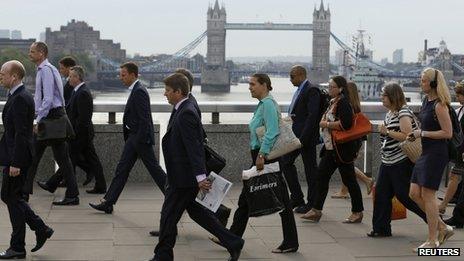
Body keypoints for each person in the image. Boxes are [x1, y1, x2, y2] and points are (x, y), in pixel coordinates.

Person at [150, 73, 243, 261]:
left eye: (168, 90)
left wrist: (201, 178)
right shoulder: (182, 108)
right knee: (197, 213)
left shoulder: (186, 113)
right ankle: (233, 241)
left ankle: (163, 255)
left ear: (178, 91)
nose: (164, 94)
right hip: (183, 175)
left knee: (168, 216)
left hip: (184, 177)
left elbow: (194, 149)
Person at [211, 73, 299, 253]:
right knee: (245, 199)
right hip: (261, 156)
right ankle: (232, 237)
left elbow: (272, 131)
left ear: (264, 85)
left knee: (282, 200)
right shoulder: (264, 103)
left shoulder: (267, 103)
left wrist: (262, 154)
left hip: (266, 157)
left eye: (252, 84)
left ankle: (290, 242)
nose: (249, 87)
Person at [89, 62, 167, 213]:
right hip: (134, 137)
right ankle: (108, 202)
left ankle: (175, 197)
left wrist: (140, 140)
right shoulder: (137, 90)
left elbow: (145, 118)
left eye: (123, 75)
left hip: (139, 139)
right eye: (120, 75)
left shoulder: (139, 91)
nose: (120, 78)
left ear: (133, 75)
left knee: (155, 171)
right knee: (122, 170)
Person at [0, 60, 53, 259]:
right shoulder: (16, 95)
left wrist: (15, 163)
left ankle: (22, 243)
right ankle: (35, 233)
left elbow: (22, 134)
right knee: (11, 197)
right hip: (15, 155)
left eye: (3, 73)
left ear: (14, 76)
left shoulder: (20, 98)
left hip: (18, 159)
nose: (0, 76)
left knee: (12, 197)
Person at [367, 82, 427, 237]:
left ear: (393, 96)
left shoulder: (403, 112)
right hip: (388, 161)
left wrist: (387, 132)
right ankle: (381, 229)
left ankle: (434, 220)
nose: (382, 97)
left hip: (400, 162)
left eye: (384, 95)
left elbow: (408, 136)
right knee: (381, 194)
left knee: (406, 196)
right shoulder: (391, 113)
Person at [301, 76, 364, 223]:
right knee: (322, 177)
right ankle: (316, 210)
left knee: (349, 180)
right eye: (329, 87)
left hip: (341, 149)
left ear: (340, 89)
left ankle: (357, 212)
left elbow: (346, 124)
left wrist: (326, 124)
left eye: (332, 87)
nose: (329, 89)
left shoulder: (343, 103)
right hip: (332, 148)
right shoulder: (333, 102)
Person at [24, 42, 79, 205]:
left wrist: (38, 119)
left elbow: (47, 99)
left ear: (42, 53)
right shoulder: (47, 69)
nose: (30, 54)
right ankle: (73, 195)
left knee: (34, 156)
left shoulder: (46, 71)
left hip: (51, 117)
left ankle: (23, 194)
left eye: (32, 52)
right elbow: (42, 98)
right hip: (55, 116)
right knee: (62, 159)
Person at [37, 66, 107, 195]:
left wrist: (74, 135)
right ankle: (101, 185)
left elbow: (83, 119)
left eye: (71, 76)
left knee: (69, 160)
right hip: (81, 134)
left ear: (77, 77)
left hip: (80, 135)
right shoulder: (78, 91)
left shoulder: (83, 93)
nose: (69, 79)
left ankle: (52, 184)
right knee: (91, 160)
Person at [408, 68, 454, 250]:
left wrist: (422, 133)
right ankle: (443, 227)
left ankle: (432, 240)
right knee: (413, 193)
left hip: (436, 154)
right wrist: (416, 134)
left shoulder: (439, 105)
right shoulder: (427, 101)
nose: (421, 83)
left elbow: (448, 133)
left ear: (434, 84)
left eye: (425, 81)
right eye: (422, 80)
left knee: (428, 195)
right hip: (426, 152)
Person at [281, 65, 321, 213]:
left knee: (310, 170)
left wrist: (303, 138)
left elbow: (312, 116)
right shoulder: (300, 90)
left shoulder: (311, 90)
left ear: (300, 75)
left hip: (306, 138)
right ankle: (298, 197)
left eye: (292, 76)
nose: (290, 79)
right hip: (297, 136)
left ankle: (310, 203)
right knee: (287, 163)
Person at [332, 81, 374, 199]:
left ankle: (366, 180)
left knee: (346, 164)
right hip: (356, 139)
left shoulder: (345, 104)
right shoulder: (355, 104)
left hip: (348, 139)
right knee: (347, 164)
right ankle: (344, 190)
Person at [438, 82, 464, 214]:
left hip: (462, 151)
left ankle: (443, 205)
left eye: (459, 95)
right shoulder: (459, 110)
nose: (457, 98)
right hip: (459, 150)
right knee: (455, 176)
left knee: (454, 176)